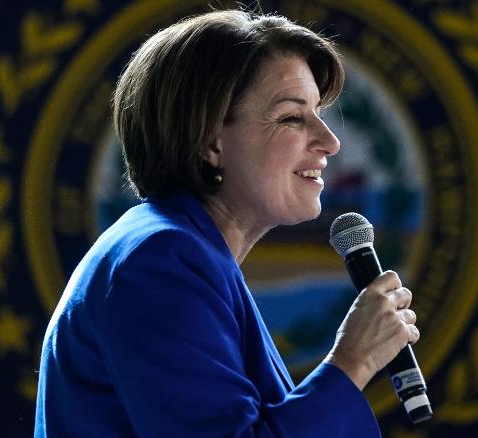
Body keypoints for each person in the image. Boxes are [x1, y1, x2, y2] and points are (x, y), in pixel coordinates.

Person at [34, 9, 420, 437]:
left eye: (318, 113)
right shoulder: (159, 263)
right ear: (210, 142)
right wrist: (354, 361)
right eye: (293, 117)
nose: (330, 142)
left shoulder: (184, 252)